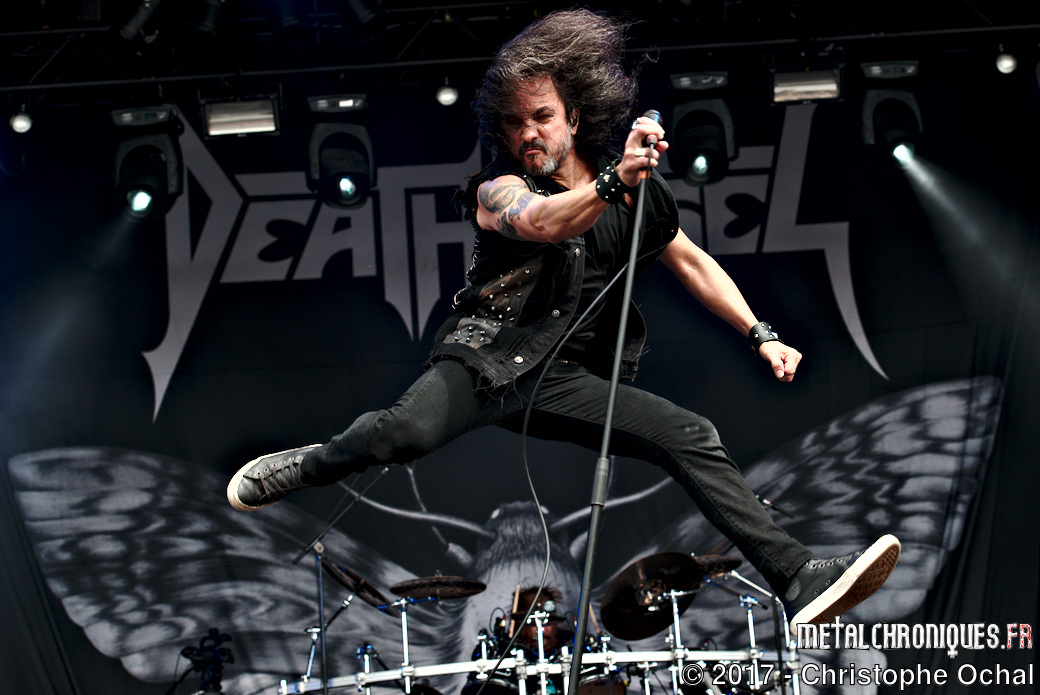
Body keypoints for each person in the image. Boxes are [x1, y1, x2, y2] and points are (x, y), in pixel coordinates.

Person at [226, 8, 900, 629]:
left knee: (690, 434)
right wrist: (613, 183)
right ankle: (312, 464)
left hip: (564, 379)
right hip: (488, 359)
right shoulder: (499, 189)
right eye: (514, 122)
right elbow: (545, 222)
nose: (528, 133)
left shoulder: (636, 196)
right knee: (402, 434)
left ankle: (798, 578)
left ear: (574, 118)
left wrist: (760, 333)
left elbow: (693, 263)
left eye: (542, 116)